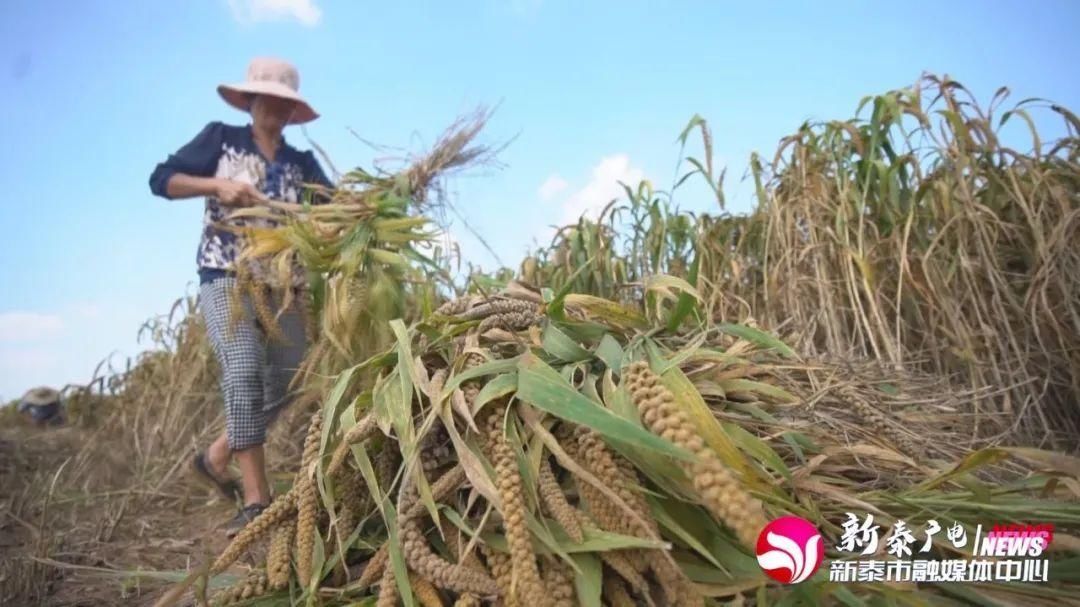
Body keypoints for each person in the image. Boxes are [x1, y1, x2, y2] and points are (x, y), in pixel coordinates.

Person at [148, 57, 333, 536]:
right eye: (265, 98)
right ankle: (257, 500)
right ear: (250, 101)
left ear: (293, 111)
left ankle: (216, 456)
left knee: (289, 380)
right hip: (227, 274)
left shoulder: (302, 165)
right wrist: (217, 184)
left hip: (284, 286)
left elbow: (336, 209)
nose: (273, 108)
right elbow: (162, 180)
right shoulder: (221, 140)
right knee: (244, 365)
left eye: (283, 102)